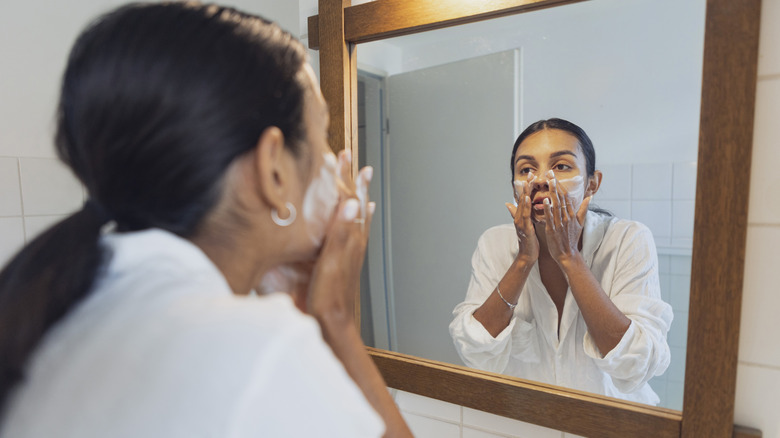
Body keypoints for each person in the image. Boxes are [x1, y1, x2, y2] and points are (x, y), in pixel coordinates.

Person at [0, 3, 412, 437]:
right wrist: (335, 320)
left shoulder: (57, 307)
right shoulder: (258, 347)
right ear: (274, 171)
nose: (335, 163)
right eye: (322, 136)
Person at [449, 118, 673, 405]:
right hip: (532, 424)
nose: (541, 179)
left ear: (592, 184)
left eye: (561, 166)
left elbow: (637, 364)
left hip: (615, 425)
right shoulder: (494, 244)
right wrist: (523, 260)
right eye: (526, 169)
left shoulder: (627, 239)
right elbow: (475, 351)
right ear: (514, 186)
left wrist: (569, 257)